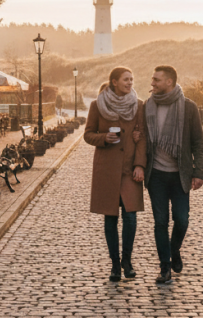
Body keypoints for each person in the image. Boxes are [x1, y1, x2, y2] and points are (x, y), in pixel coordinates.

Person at [84, 67, 147, 282]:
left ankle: (126, 261)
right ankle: (114, 265)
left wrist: (140, 165)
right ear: (114, 82)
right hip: (107, 170)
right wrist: (103, 138)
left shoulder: (138, 106)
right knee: (110, 217)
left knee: (130, 217)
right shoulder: (97, 105)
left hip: (130, 170)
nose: (130, 83)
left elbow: (143, 137)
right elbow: (88, 134)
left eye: (132, 79)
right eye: (126, 79)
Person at [144, 65, 203, 283]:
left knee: (182, 220)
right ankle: (165, 267)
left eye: (156, 79)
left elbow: (198, 142)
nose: (152, 83)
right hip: (157, 176)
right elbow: (141, 138)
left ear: (169, 82)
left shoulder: (188, 107)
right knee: (160, 222)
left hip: (180, 175)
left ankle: (174, 249)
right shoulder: (147, 107)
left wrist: (198, 172)